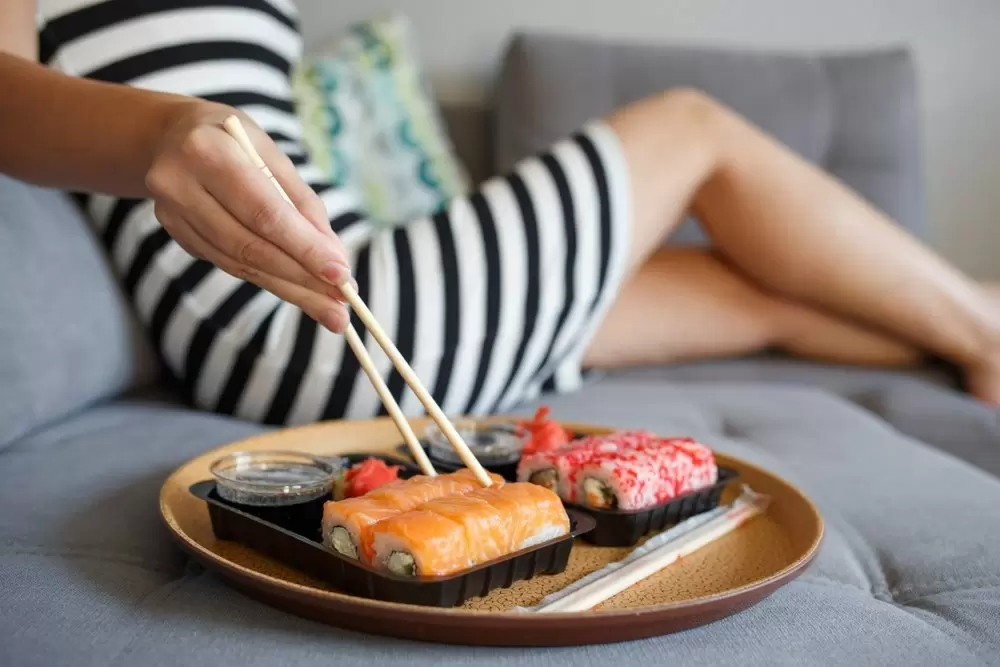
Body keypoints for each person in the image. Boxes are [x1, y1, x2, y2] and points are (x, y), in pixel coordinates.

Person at [3, 0, 999, 427]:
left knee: (750, 293)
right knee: (691, 130)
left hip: (332, 296)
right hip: (300, 322)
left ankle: (969, 350)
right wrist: (160, 131)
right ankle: (989, 326)